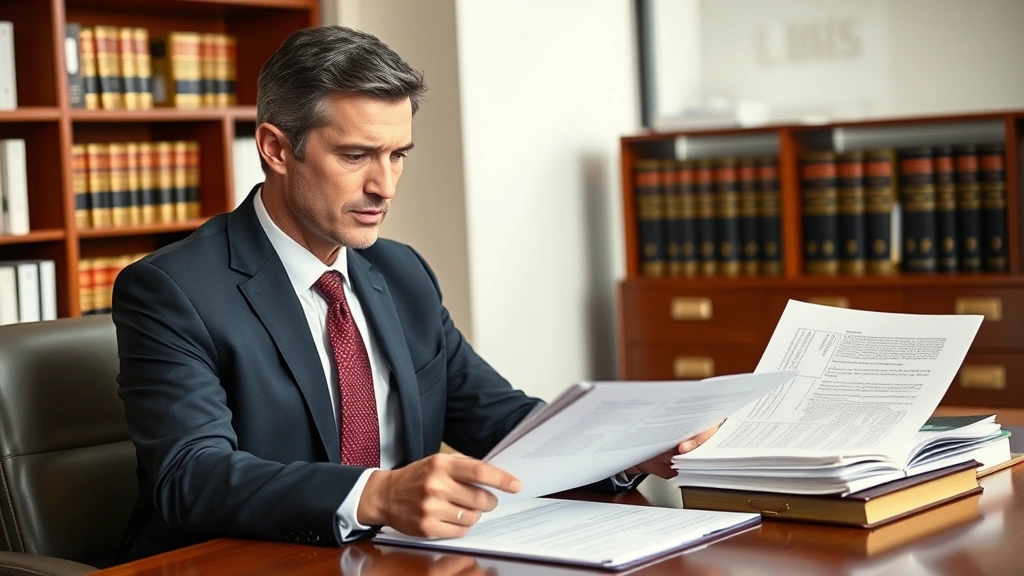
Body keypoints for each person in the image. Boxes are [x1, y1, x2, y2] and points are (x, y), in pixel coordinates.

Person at [112, 25, 719, 559]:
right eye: (357, 155)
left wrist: (625, 449)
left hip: (400, 560)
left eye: (398, 155)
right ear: (275, 149)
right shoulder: (173, 290)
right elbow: (190, 477)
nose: (385, 185)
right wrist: (376, 494)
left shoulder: (401, 273)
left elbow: (497, 420)